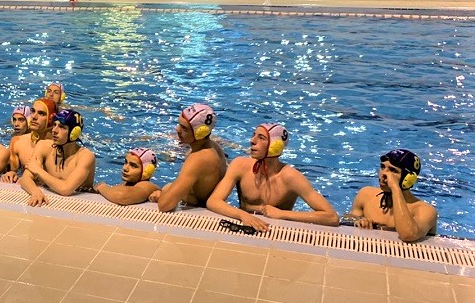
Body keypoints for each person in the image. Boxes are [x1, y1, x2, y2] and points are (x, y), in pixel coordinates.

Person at [206, 123, 339, 232]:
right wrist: (243, 215)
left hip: (276, 232)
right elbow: (213, 201)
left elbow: (331, 217)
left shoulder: (290, 177)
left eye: (261, 138)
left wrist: (282, 214)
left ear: (275, 147)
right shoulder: (240, 165)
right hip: (245, 227)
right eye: (254, 136)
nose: (252, 141)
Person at [149, 104, 228, 211]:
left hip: (197, 212)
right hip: (203, 208)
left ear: (200, 133)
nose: (177, 129)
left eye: (184, 128)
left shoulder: (198, 158)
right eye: (179, 124)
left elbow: (164, 206)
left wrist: (163, 194)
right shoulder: (215, 147)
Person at [347, 149, 437, 242]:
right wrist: (357, 221)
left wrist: (395, 188)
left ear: (408, 179)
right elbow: (347, 220)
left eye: (393, 170)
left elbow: (408, 235)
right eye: (382, 167)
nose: (384, 174)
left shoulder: (425, 210)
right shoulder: (366, 194)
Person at [19, 109, 96, 206]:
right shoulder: (43, 146)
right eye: (54, 125)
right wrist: (35, 192)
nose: (54, 130)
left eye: (62, 127)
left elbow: (66, 189)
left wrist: (38, 171)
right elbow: (25, 179)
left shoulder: (85, 156)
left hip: (82, 205)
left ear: (74, 133)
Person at [1, 98, 55, 183]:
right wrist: (11, 174)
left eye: (41, 113)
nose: (34, 116)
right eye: (32, 111)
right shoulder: (17, 142)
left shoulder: (61, 147)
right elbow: (14, 171)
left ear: (51, 119)